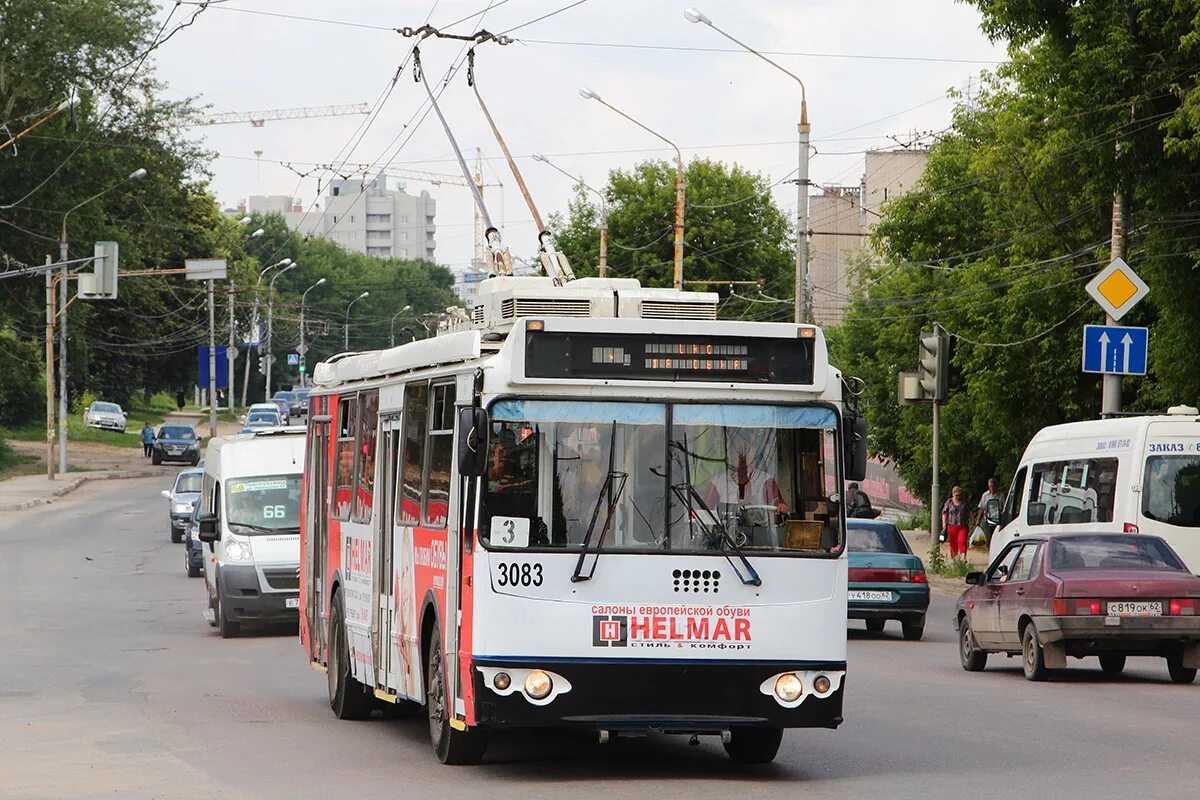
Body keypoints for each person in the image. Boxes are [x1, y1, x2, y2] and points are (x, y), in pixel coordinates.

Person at [942, 486, 970, 560]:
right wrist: (944, 524)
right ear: (953, 494)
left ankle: (963, 557)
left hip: (963, 526)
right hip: (952, 526)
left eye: (959, 495)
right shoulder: (949, 502)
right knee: (953, 543)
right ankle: (954, 559)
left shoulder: (965, 502)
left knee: (962, 541)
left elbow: (969, 511)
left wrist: (973, 520)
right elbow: (944, 513)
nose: (958, 496)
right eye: (956, 495)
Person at [974, 477, 1003, 542]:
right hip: (988, 520)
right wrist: (978, 519)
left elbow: (1004, 508)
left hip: (998, 520)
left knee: (998, 537)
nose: (992, 488)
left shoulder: (1001, 495)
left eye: (993, 486)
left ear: (996, 486)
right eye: (990, 486)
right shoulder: (985, 495)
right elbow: (982, 508)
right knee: (989, 537)